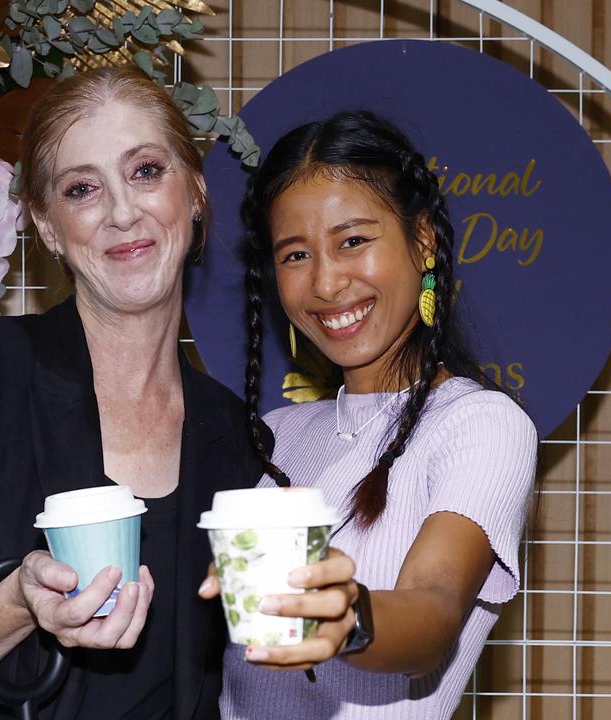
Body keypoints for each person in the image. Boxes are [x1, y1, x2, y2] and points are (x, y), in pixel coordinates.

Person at [0, 65, 265, 719]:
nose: (124, 212)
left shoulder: (233, 433)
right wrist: (11, 605)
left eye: (147, 171)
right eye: (83, 188)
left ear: (196, 192)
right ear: (46, 224)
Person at [203, 110, 538, 718]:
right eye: (295, 255)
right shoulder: (273, 437)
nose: (327, 283)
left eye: (353, 241)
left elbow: (432, 607)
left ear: (422, 240)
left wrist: (349, 614)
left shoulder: (481, 425)